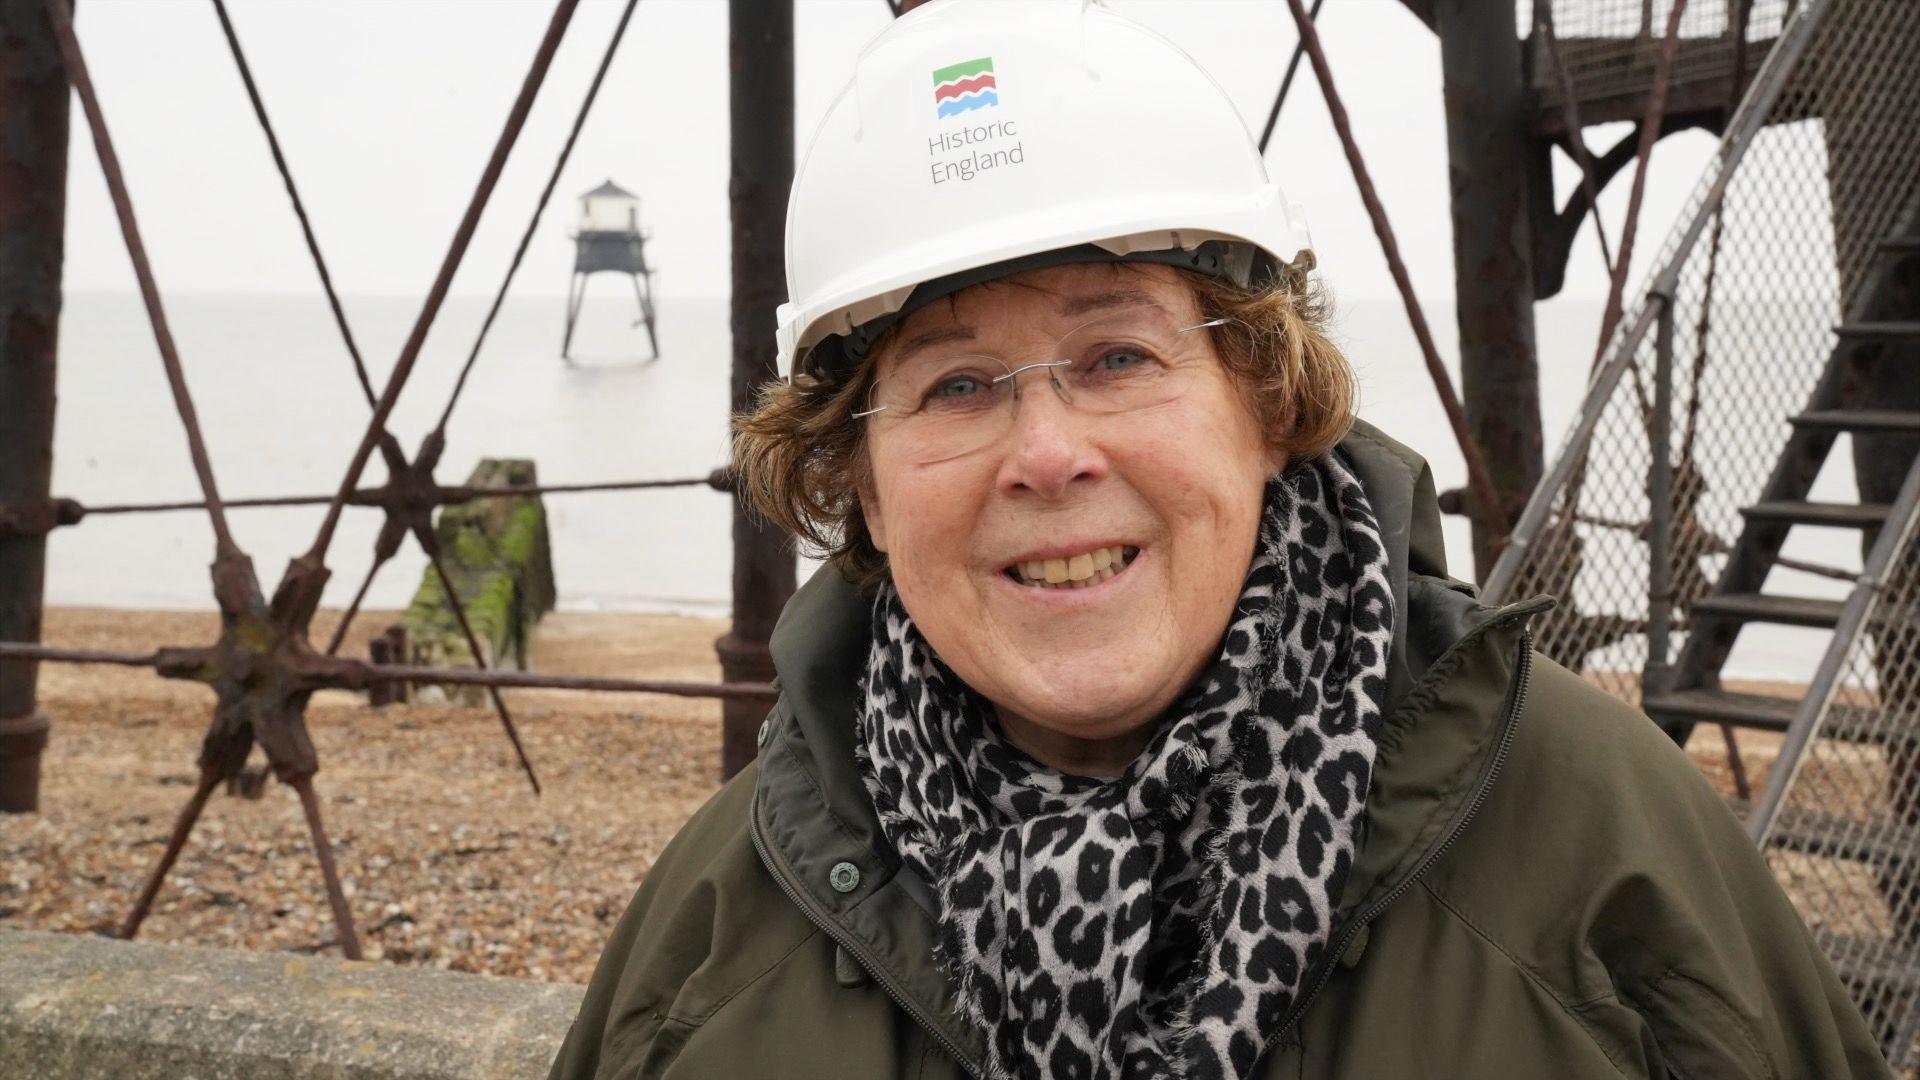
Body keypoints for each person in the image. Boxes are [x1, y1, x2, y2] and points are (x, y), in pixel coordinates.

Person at [549, 2, 1890, 1077]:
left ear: (1269, 406)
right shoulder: (721, 926)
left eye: (1120, 355)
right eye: (955, 385)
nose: (1048, 454)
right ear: (866, 487)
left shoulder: (1602, 851)